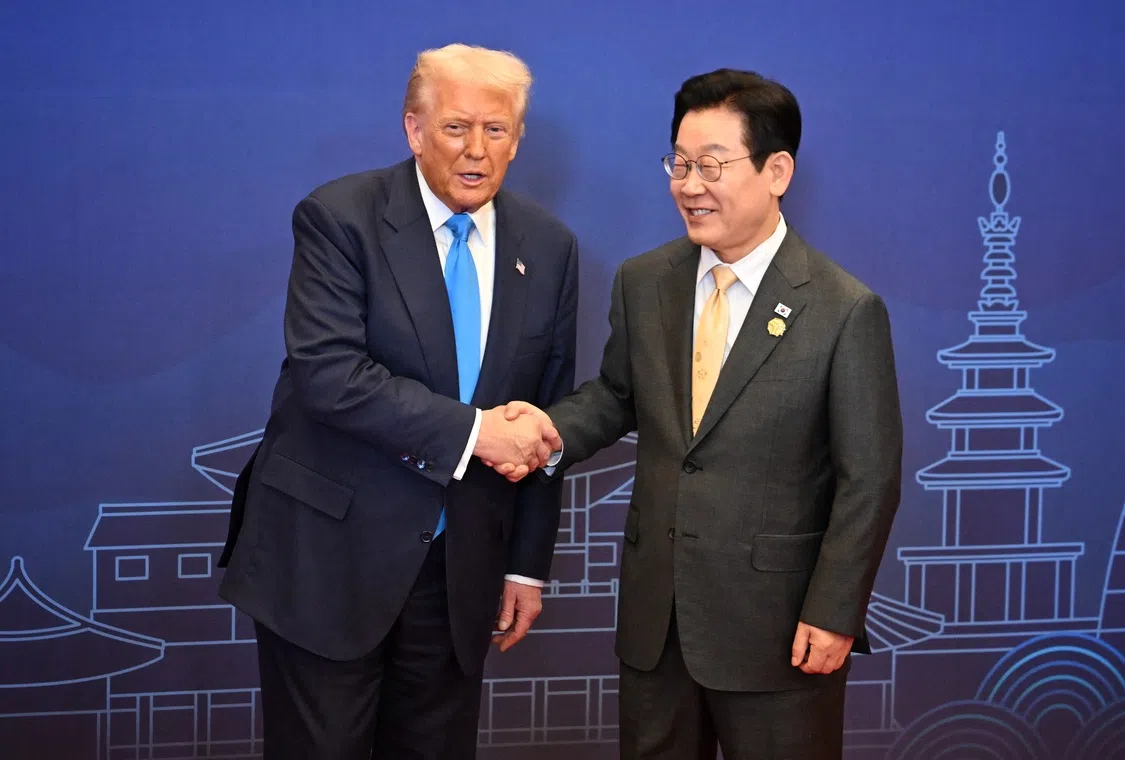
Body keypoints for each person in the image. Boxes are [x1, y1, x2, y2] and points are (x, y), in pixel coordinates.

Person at [497, 69, 903, 759]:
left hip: (778, 634)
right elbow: (619, 396)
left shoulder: (843, 309)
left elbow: (869, 478)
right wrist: (547, 432)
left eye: (711, 166)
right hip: (658, 626)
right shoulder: (645, 280)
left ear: (777, 171)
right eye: (679, 164)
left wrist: (834, 613)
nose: (689, 185)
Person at [217, 43, 576, 760]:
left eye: (496, 130)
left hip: (457, 576)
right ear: (414, 130)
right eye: (454, 128)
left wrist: (525, 564)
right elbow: (330, 376)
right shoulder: (339, 218)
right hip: (328, 562)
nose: (477, 150)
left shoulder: (549, 245)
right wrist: (476, 433)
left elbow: (544, 415)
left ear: (518, 138)